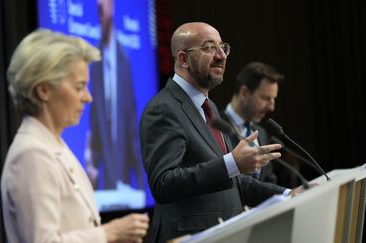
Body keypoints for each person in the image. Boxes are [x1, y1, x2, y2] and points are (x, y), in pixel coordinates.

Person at [139, 22, 299, 243]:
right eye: (208, 47)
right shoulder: (163, 108)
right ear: (183, 59)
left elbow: (234, 181)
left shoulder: (210, 107)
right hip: (189, 236)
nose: (221, 55)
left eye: (223, 47)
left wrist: (287, 194)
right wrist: (231, 163)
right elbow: (163, 184)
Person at [0, 29, 149, 243]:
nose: (88, 97)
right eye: (79, 87)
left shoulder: (53, 145)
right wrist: (109, 233)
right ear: (43, 90)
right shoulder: (32, 155)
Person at [85, 0, 144, 191]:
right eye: (98, 8)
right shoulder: (95, 62)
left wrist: (142, 184)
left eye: (104, 6)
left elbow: (131, 118)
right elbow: (95, 118)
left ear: (112, 6)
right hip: (103, 169)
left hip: (125, 166)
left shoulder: (124, 61)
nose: (101, 10)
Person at [221, 62, 285, 184]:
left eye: (273, 99)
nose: (272, 107)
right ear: (244, 92)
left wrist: (288, 193)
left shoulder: (262, 133)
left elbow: (268, 182)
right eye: (266, 98)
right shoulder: (215, 127)